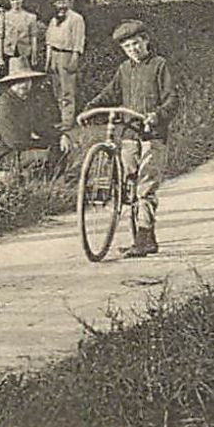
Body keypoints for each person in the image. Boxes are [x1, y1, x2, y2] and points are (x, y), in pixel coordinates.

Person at [82, 19, 178, 258]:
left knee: (145, 187)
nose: (133, 50)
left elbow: (172, 99)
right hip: (129, 134)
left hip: (152, 135)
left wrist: (157, 116)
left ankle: (144, 239)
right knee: (130, 182)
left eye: (136, 44)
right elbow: (110, 93)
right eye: (127, 47)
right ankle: (145, 238)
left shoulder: (159, 65)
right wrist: (90, 108)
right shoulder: (124, 69)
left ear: (146, 41)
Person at [0, 64, 68, 177]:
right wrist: (46, 144)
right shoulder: (3, 105)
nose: (24, 85)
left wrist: (60, 136)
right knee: (45, 155)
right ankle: (37, 183)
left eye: (27, 80)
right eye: (18, 81)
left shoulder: (27, 101)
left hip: (21, 151)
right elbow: (15, 141)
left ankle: (48, 183)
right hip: (5, 156)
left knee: (59, 150)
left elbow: (41, 127)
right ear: (10, 84)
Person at [45, 0, 87, 128]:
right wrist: (48, 60)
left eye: (64, 2)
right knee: (57, 89)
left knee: (67, 89)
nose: (61, 5)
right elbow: (49, 41)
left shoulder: (76, 19)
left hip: (67, 55)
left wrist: (74, 58)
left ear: (70, 3)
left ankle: (68, 121)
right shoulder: (54, 20)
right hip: (54, 55)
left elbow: (78, 40)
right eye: (59, 2)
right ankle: (62, 118)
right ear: (55, 4)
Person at [0, 0, 41, 76]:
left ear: (22, 0)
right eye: (13, 0)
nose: (16, 2)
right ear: (9, 2)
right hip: (9, 53)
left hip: (25, 52)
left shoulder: (30, 17)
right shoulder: (4, 17)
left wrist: (34, 55)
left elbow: (33, 37)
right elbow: (0, 37)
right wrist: (0, 57)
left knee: (26, 76)